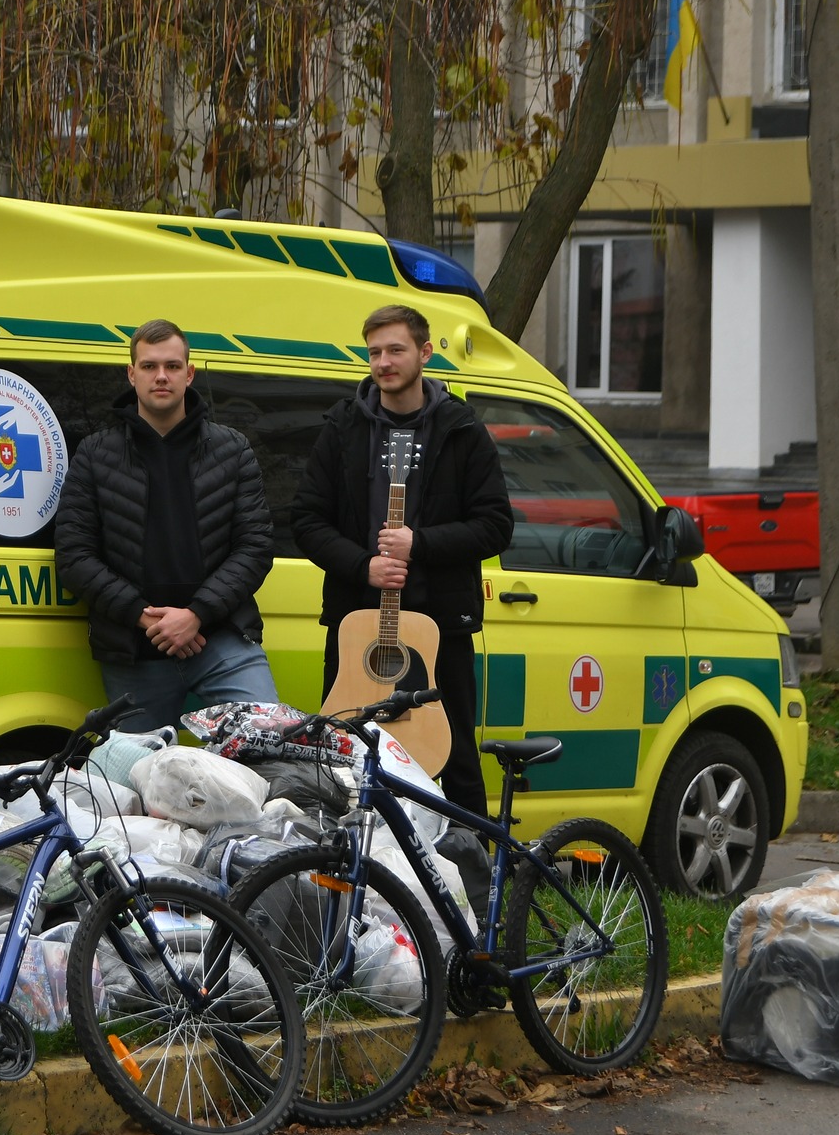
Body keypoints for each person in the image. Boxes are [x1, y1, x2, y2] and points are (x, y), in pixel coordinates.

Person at [291, 304, 513, 814]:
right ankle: (348, 878)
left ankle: (469, 878)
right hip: (357, 625)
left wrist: (422, 544)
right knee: (345, 759)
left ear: (425, 352)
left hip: (439, 628)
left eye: (395, 349)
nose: (384, 362)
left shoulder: (461, 429)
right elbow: (306, 520)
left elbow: (496, 525)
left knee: (454, 761)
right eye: (374, 352)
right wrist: (361, 565)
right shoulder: (344, 427)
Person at [55, 318, 280, 732]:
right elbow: (74, 555)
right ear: (132, 373)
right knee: (138, 780)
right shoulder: (95, 453)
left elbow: (255, 547)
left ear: (189, 374)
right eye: (150, 366)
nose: (162, 376)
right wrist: (148, 618)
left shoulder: (232, 450)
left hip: (222, 638)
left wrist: (195, 614)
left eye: (173, 366)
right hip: (134, 649)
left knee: (267, 745)